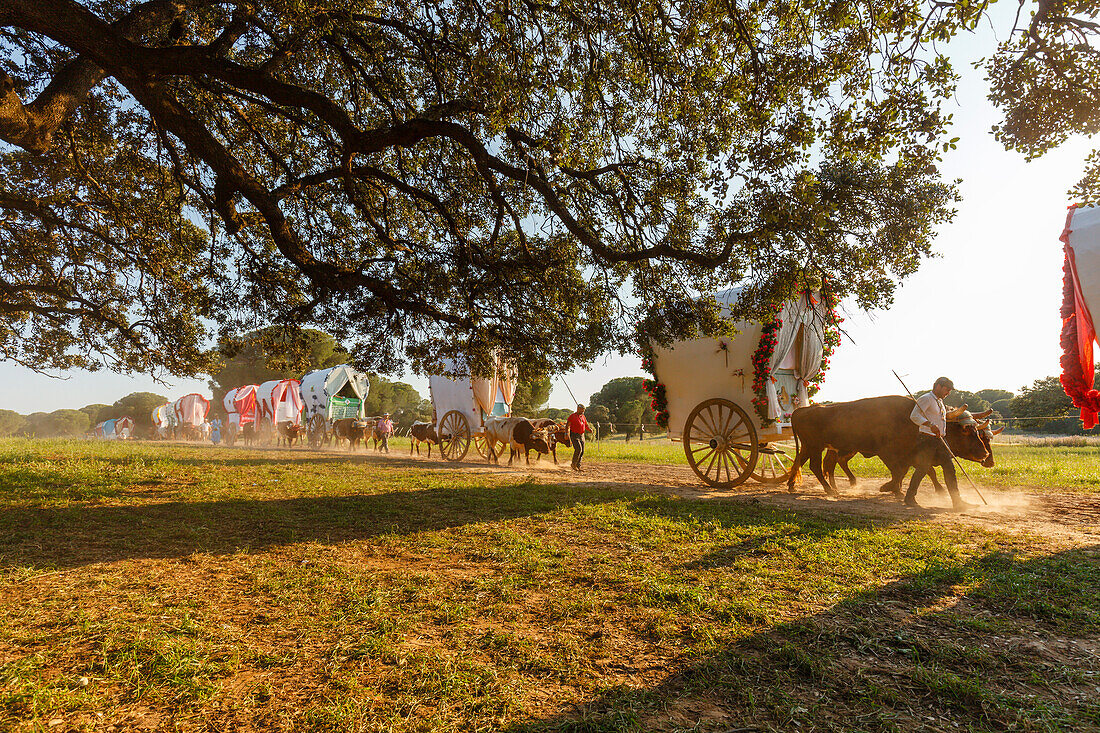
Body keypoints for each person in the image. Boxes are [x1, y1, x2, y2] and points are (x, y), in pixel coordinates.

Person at [907, 377, 970, 511]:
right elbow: (914, 416)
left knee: (950, 469)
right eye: (946, 390)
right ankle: (909, 497)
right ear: (937, 386)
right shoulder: (926, 399)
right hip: (926, 439)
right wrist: (929, 424)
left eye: (949, 391)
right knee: (923, 468)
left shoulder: (940, 401)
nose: (947, 393)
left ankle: (957, 501)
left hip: (940, 440)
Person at [567, 404, 589, 471]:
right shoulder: (572, 416)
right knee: (578, 449)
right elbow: (567, 425)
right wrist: (566, 433)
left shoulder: (583, 417)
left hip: (582, 435)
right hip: (574, 435)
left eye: (584, 410)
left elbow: (586, 425)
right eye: (582, 410)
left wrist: (589, 429)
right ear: (578, 409)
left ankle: (578, 465)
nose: (583, 411)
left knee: (582, 451)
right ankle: (573, 464)